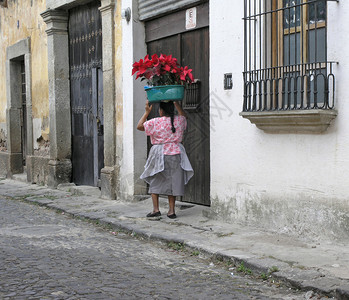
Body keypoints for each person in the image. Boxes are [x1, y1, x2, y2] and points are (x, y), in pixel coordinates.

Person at [137, 100, 194, 219]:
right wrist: (177, 104)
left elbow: (140, 126)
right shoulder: (179, 120)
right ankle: (171, 211)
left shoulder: (155, 122)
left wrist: (147, 112)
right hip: (175, 152)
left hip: (159, 153)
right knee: (173, 181)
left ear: (161, 110)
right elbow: (184, 116)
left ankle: (156, 209)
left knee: (155, 178)